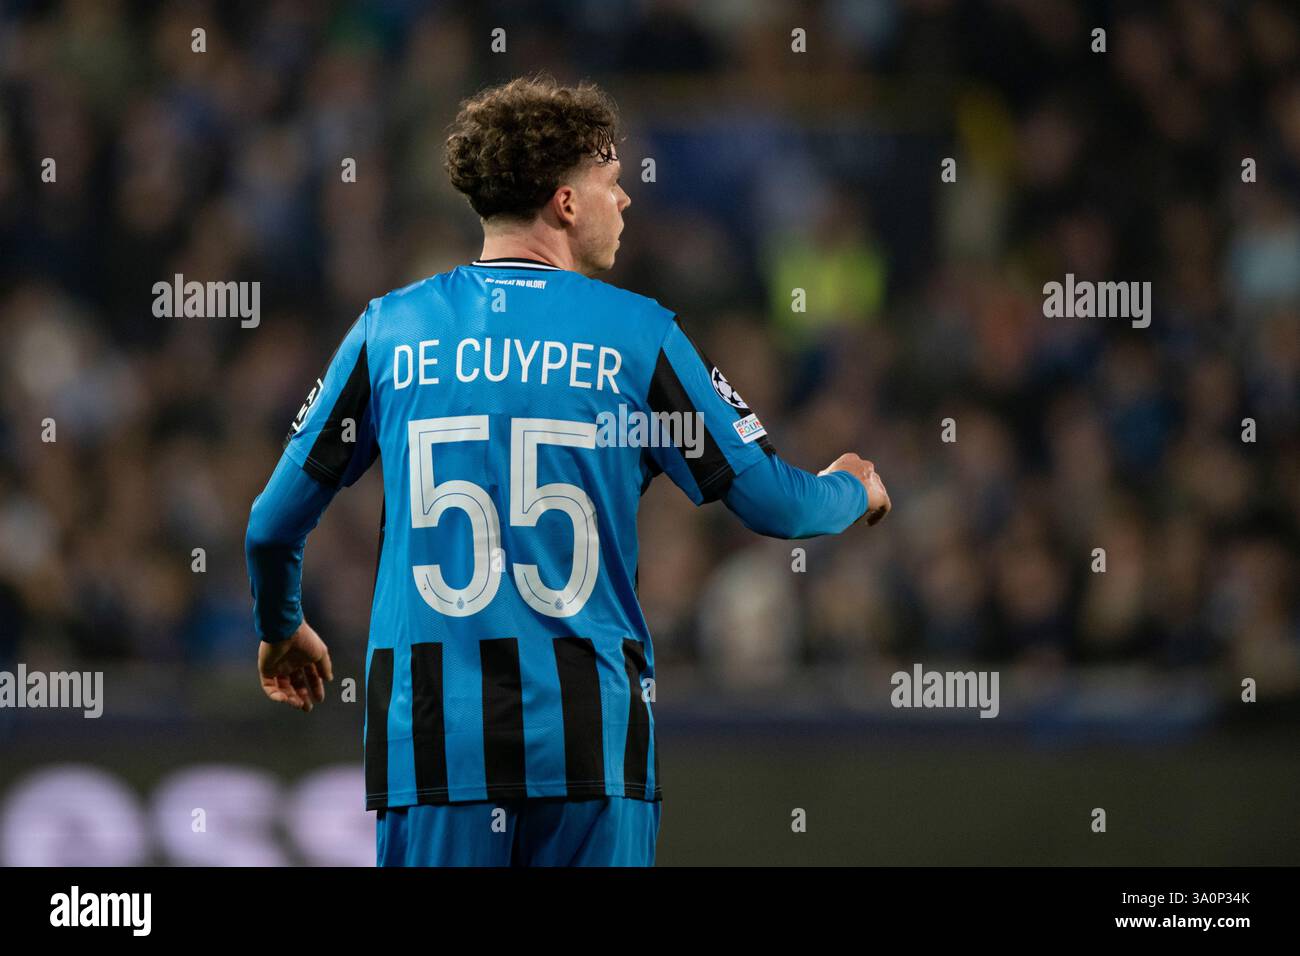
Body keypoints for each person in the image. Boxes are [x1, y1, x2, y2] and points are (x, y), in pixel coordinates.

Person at [244, 74, 890, 867]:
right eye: (612, 183)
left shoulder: (391, 333)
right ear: (566, 202)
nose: (627, 201)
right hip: (593, 751)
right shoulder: (637, 337)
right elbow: (777, 506)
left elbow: (270, 526)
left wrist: (281, 629)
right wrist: (852, 487)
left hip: (436, 748)